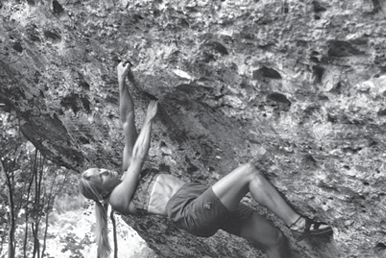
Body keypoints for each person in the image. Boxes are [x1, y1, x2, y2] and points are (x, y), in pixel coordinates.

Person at [79, 61, 333, 258]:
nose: (103, 171)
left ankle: (292, 230)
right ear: (101, 194)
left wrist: (121, 82)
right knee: (248, 173)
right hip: (189, 212)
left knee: (274, 240)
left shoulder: (122, 173)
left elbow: (126, 121)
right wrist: (150, 119)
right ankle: (298, 223)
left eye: (99, 168)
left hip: (201, 199)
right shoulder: (118, 198)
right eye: (98, 177)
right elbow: (138, 158)